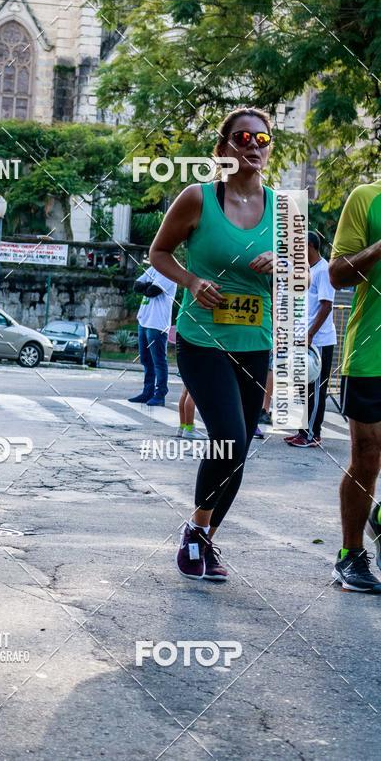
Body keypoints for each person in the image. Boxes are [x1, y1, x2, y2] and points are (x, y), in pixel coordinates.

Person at [150, 107, 274, 581]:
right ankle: (197, 531)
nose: (254, 146)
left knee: (238, 449)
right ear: (223, 148)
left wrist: (282, 266)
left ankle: (203, 538)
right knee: (230, 437)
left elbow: (304, 276)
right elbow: (158, 253)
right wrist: (192, 280)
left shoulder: (285, 209)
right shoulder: (197, 198)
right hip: (203, 338)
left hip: (253, 340)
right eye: (243, 137)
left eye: (263, 140)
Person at [328, 181, 381, 593]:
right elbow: (338, 273)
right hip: (371, 352)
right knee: (367, 456)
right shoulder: (365, 197)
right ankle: (350, 555)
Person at [285, 231, 336, 448]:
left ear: (311, 247)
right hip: (304, 338)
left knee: (315, 389)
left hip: (319, 341)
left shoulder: (323, 270)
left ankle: (313, 434)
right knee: (303, 387)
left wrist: (310, 334)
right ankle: (303, 431)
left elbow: (326, 305)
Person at [128, 266, 177, 407]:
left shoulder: (169, 272)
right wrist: (148, 285)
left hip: (157, 323)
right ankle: (147, 392)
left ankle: (160, 394)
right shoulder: (153, 269)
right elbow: (136, 286)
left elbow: (152, 292)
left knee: (159, 361)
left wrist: (147, 285)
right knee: (145, 359)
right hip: (144, 320)